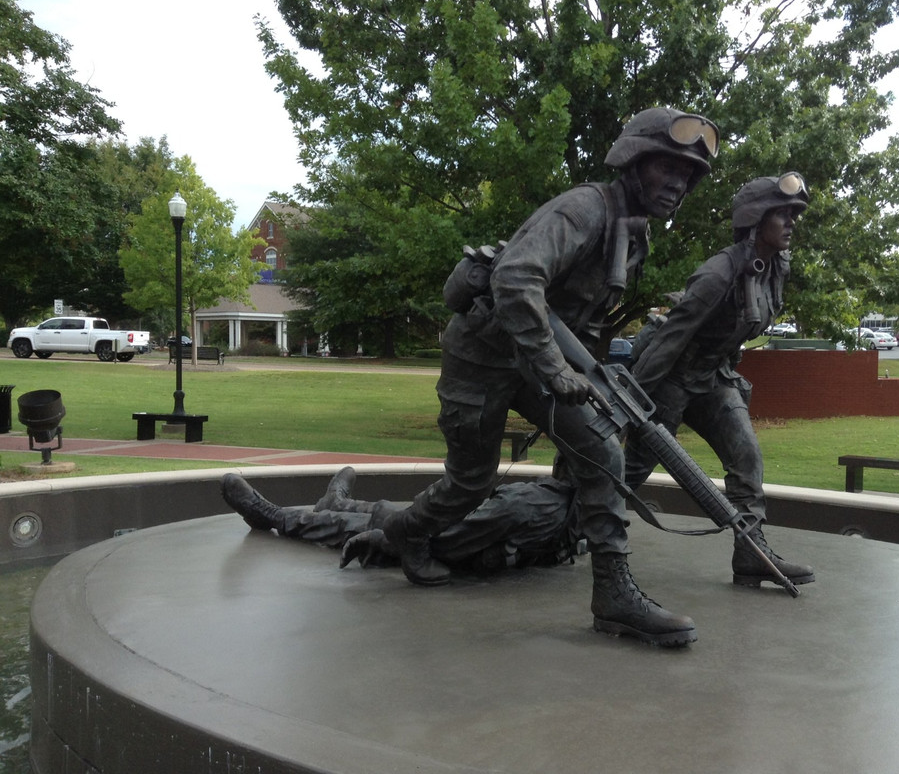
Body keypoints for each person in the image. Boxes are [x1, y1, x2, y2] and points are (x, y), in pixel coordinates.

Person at [366, 108, 718, 647]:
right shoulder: (583, 210)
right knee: (471, 481)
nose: (679, 185)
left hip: (534, 360)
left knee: (603, 451)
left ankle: (614, 596)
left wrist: (591, 380)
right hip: (482, 357)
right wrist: (556, 369)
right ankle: (403, 532)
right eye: (667, 169)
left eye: (688, 176)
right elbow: (515, 277)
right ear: (633, 162)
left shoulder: (634, 234)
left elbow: (584, 319)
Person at [623, 173, 816, 588]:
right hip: (672, 376)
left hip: (713, 376)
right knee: (633, 469)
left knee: (746, 456)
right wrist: (633, 399)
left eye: (793, 215)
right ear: (756, 217)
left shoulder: (775, 270)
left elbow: (737, 331)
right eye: (782, 214)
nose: (791, 222)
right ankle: (565, 527)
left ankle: (751, 552)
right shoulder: (718, 272)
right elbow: (671, 338)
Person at [220, 468, 580, 573]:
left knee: (353, 526)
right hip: (462, 538)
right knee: (387, 509)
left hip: (441, 546)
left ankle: (272, 516)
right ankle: (337, 502)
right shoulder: (573, 504)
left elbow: (446, 539)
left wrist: (385, 539)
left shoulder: (529, 503)